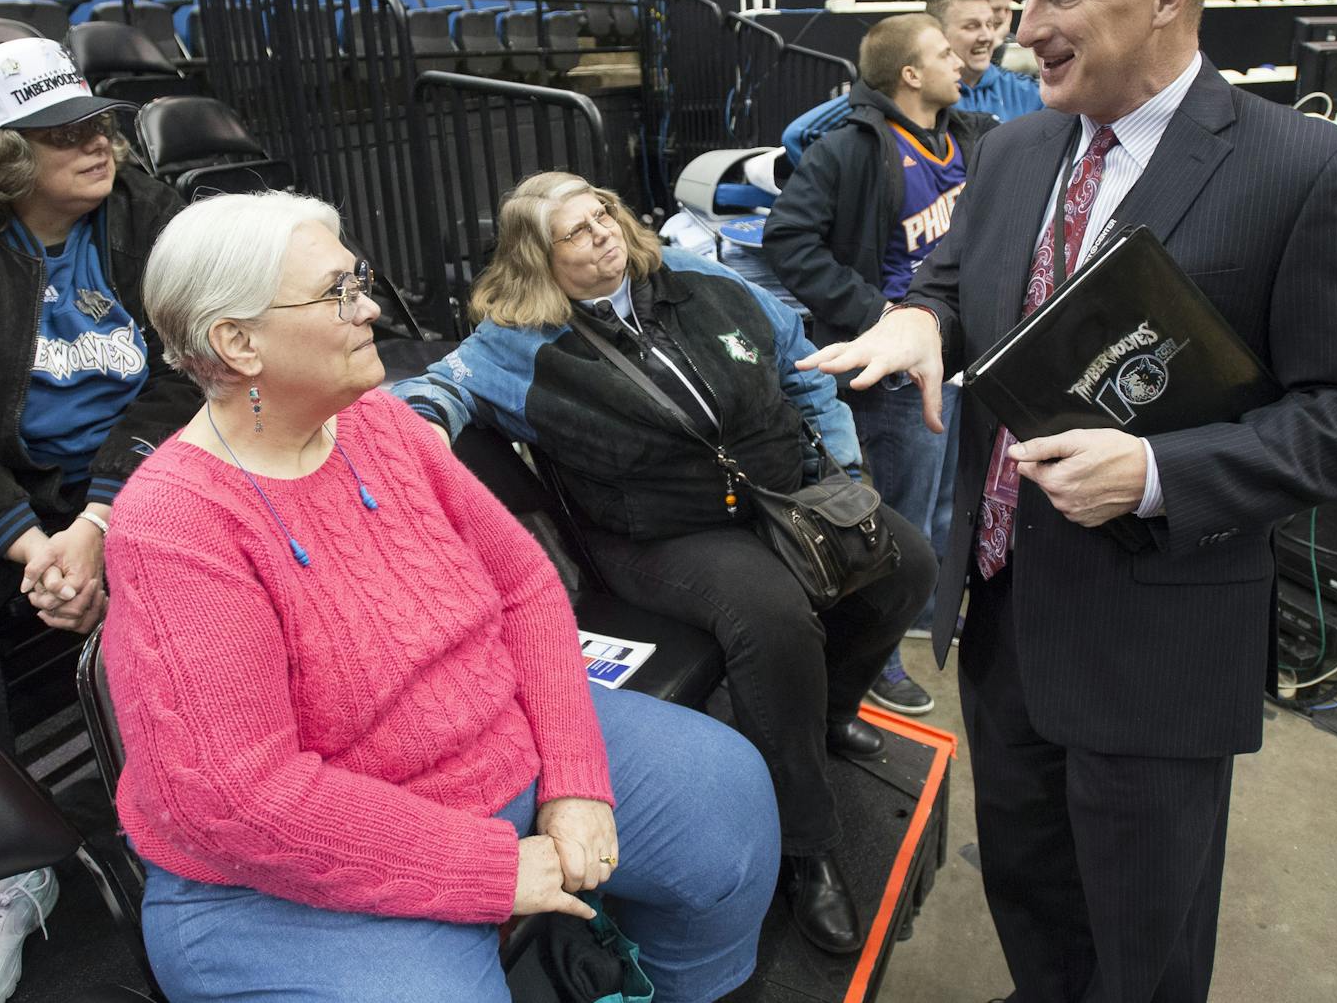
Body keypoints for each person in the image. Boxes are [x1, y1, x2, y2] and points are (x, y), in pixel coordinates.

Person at [799, 0, 1337, 1003]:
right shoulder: (1016, 149)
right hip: (1004, 609)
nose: (1023, 33)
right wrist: (922, 321)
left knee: (1143, 936)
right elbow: (956, 276)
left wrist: (1162, 469)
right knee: (1027, 887)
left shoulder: (1305, 169)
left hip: (1156, 641)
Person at [102, 190, 782, 1003]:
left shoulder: (379, 425)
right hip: (284, 877)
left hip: (493, 753)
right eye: (338, 293)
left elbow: (526, 585)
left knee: (730, 801)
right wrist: (490, 866)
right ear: (237, 341)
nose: (372, 311)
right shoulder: (174, 524)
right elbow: (243, 802)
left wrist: (572, 775)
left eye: (358, 281)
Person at [392, 173, 936, 956]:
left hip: (784, 491)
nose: (603, 233)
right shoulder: (515, 340)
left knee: (905, 564)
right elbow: (439, 388)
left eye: (603, 213)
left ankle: (822, 717)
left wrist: (844, 475)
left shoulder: (697, 275)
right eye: (575, 232)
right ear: (535, 260)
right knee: (772, 617)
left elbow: (800, 366)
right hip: (655, 534)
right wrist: (414, 433)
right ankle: (806, 847)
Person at [0, 37, 196, 1003]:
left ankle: (199, 821)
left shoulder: (155, 217)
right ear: (1, 157)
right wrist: (31, 543)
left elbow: (196, 369)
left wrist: (99, 524)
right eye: (61, 132)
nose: (94, 142)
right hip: (14, 491)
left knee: (198, 559)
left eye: (97, 120)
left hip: (144, 470)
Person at [764, 16, 994, 717]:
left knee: (948, 507)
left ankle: (921, 615)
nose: (961, 59)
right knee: (894, 522)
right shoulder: (852, 147)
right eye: (943, 52)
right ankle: (876, 657)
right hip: (894, 373)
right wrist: (878, 315)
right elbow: (788, 237)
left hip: (962, 356)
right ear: (910, 75)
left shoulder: (971, 137)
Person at [927, 0, 1043, 121]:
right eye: (971, 26)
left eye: (990, 24)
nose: (987, 36)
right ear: (938, 33)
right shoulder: (921, 98)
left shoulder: (1027, 93)